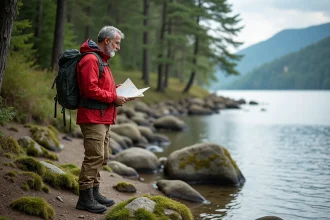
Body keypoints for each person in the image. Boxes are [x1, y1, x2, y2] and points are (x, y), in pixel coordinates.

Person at [75, 26, 130, 213]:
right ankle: (84, 198)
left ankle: (95, 192)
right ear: (106, 41)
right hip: (92, 117)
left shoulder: (102, 60)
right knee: (94, 157)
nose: (118, 47)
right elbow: (90, 89)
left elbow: (100, 87)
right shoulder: (91, 59)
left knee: (102, 157)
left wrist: (116, 89)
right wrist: (114, 97)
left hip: (103, 116)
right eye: (117, 43)